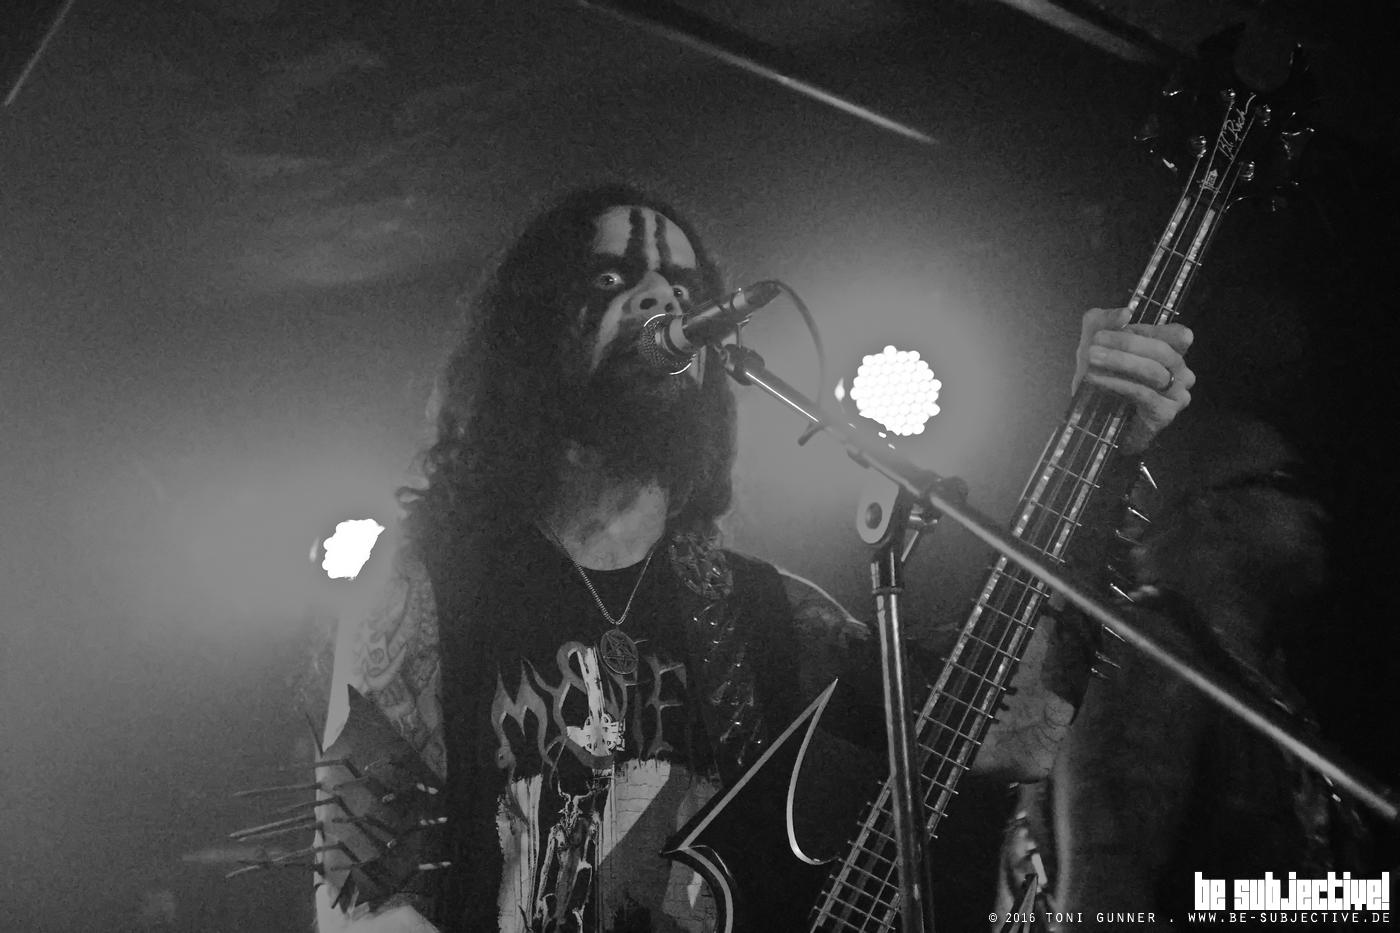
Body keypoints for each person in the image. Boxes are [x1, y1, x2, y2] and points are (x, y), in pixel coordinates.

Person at [310, 183, 1194, 933]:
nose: (661, 299)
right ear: (531, 333)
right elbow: (367, 905)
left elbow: (1015, 727)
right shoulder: (430, 586)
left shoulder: (763, 612)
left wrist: (1104, 458)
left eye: (683, 284)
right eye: (613, 277)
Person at [992, 411, 1369, 931]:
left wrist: (1369, 903)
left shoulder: (1247, 678)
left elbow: (1222, 900)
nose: (1317, 509)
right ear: (1217, 506)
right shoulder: (1146, 659)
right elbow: (1102, 911)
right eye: (1289, 484)